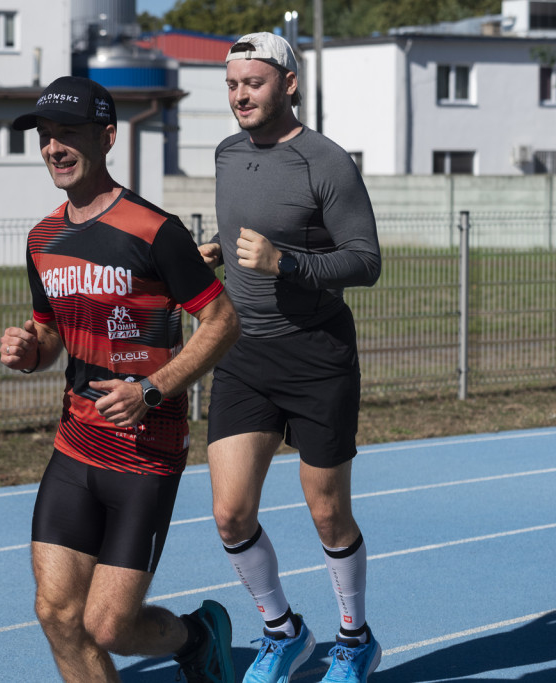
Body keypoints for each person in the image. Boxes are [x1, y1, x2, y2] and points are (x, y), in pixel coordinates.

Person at [0, 75, 241, 682]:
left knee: (109, 627)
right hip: (75, 444)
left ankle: (197, 635)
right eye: (46, 136)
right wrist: (30, 349)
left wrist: (153, 389)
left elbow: (220, 321)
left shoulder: (155, 231)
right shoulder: (42, 239)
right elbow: (50, 334)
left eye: (68, 135)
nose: (54, 148)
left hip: (145, 452)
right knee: (57, 613)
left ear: (106, 138)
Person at [200, 33, 383, 683]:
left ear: (288, 84)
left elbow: (366, 260)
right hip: (244, 352)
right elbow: (250, 224)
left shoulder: (325, 161)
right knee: (229, 512)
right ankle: (284, 630)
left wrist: (287, 261)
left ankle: (355, 637)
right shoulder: (225, 155)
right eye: (231, 84)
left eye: (252, 82)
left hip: (317, 355)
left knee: (328, 511)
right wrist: (218, 250)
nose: (240, 94)